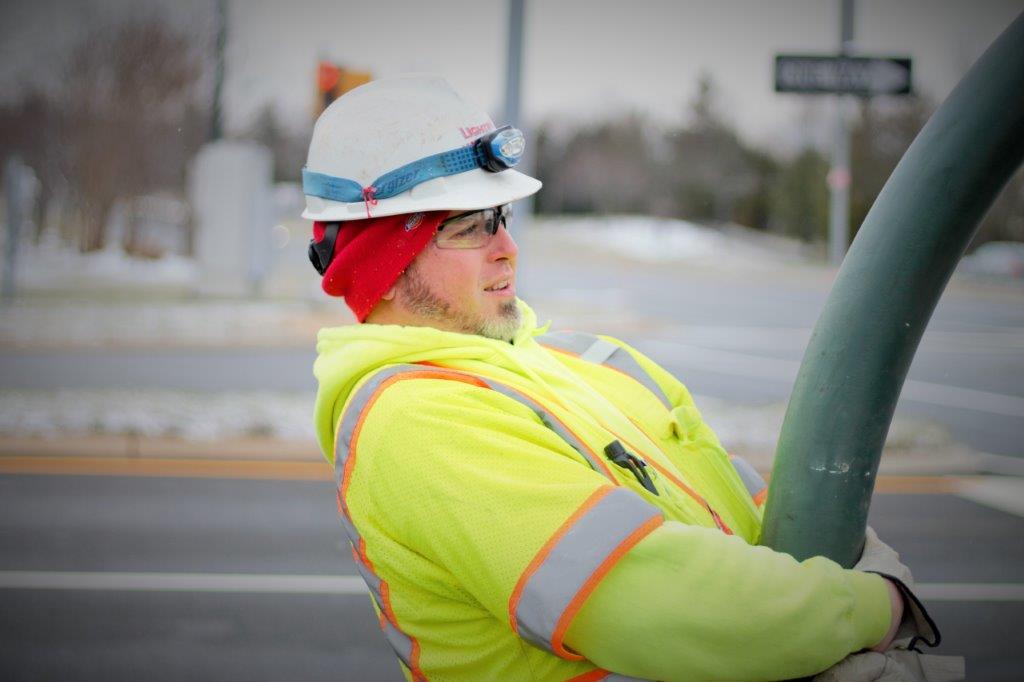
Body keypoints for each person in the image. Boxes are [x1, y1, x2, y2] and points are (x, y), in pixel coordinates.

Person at [303, 75, 951, 681]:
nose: (507, 248)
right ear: (384, 260)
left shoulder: (580, 358)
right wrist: (869, 608)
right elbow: (665, 603)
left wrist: (846, 554)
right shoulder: (413, 423)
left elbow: (740, 500)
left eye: (501, 217)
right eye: (471, 227)